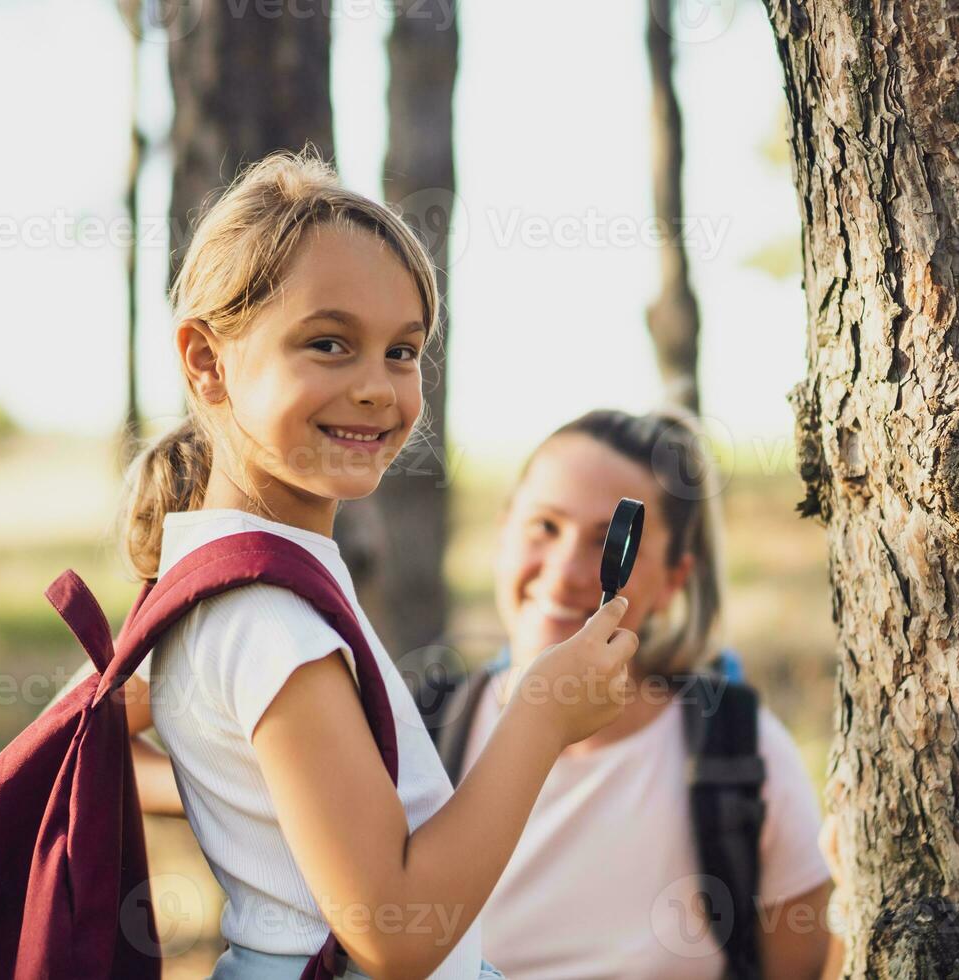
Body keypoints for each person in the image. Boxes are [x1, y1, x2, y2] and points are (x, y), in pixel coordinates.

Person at [92, 150, 642, 980]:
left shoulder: (204, 577)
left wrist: (263, 796)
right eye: (329, 343)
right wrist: (541, 718)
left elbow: (93, 732)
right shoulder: (267, 620)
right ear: (206, 361)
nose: (379, 389)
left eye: (401, 351)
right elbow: (397, 934)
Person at [426, 408, 838, 979]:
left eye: (609, 544)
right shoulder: (423, 732)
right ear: (503, 533)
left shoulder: (742, 756)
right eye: (544, 526)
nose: (568, 571)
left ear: (675, 580)